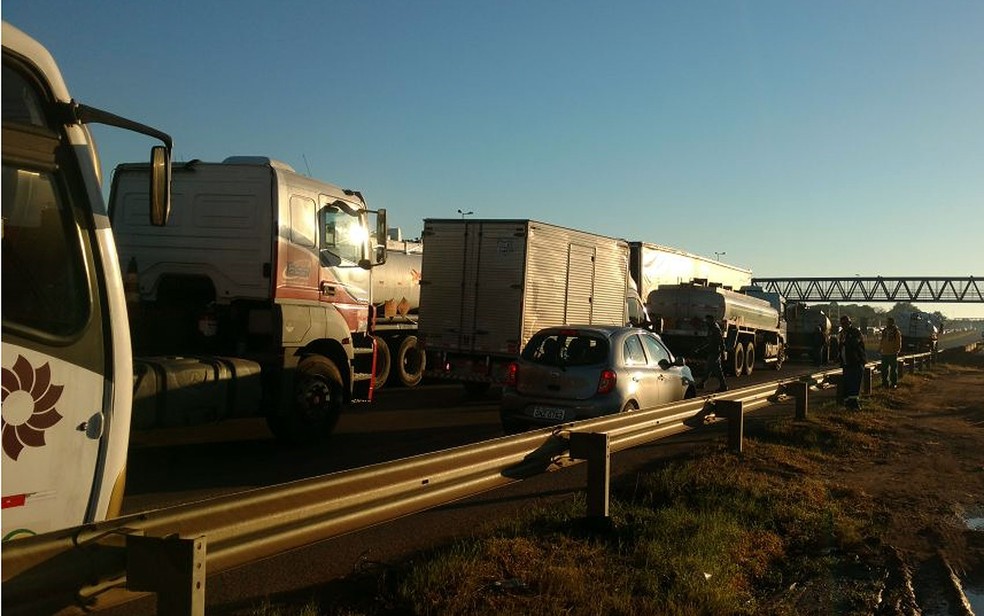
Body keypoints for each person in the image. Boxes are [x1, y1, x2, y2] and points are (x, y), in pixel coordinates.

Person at [839, 315, 866, 409]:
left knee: (855, 384)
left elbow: (855, 343)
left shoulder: (855, 332)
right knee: (847, 384)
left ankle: (854, 404)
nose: (844, 325)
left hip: (856, 362)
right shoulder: (842, 333)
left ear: (850, 323)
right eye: (842, 323)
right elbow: (841, 347)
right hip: (846, 363)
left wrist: (846, 341)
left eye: (846, 323)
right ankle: (848, 404)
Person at [702, 314, 728, 392]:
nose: (706, 322)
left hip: (715, 352)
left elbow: (720, 341)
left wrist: (723, 351)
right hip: (712, 351)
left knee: (711, 369)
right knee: (713, 369)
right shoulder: (711, 328)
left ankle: (723, 386)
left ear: (711, 320)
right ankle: (703, 383)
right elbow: (709, 340)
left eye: (708, 320)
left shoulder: (715, 329)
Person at [879, 317, 902, 389]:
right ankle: (884, 383)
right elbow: (882, 340)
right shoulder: (885, 331)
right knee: (884, 369)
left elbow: (899, 342)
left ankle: (893, 383)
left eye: (889, 322)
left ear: (892, 323)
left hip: (892, 353)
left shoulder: (896, 331)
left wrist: (897, 350)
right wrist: (880, 348)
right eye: (887, 322)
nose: (888, 323)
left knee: (893, 370)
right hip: (884, 353)